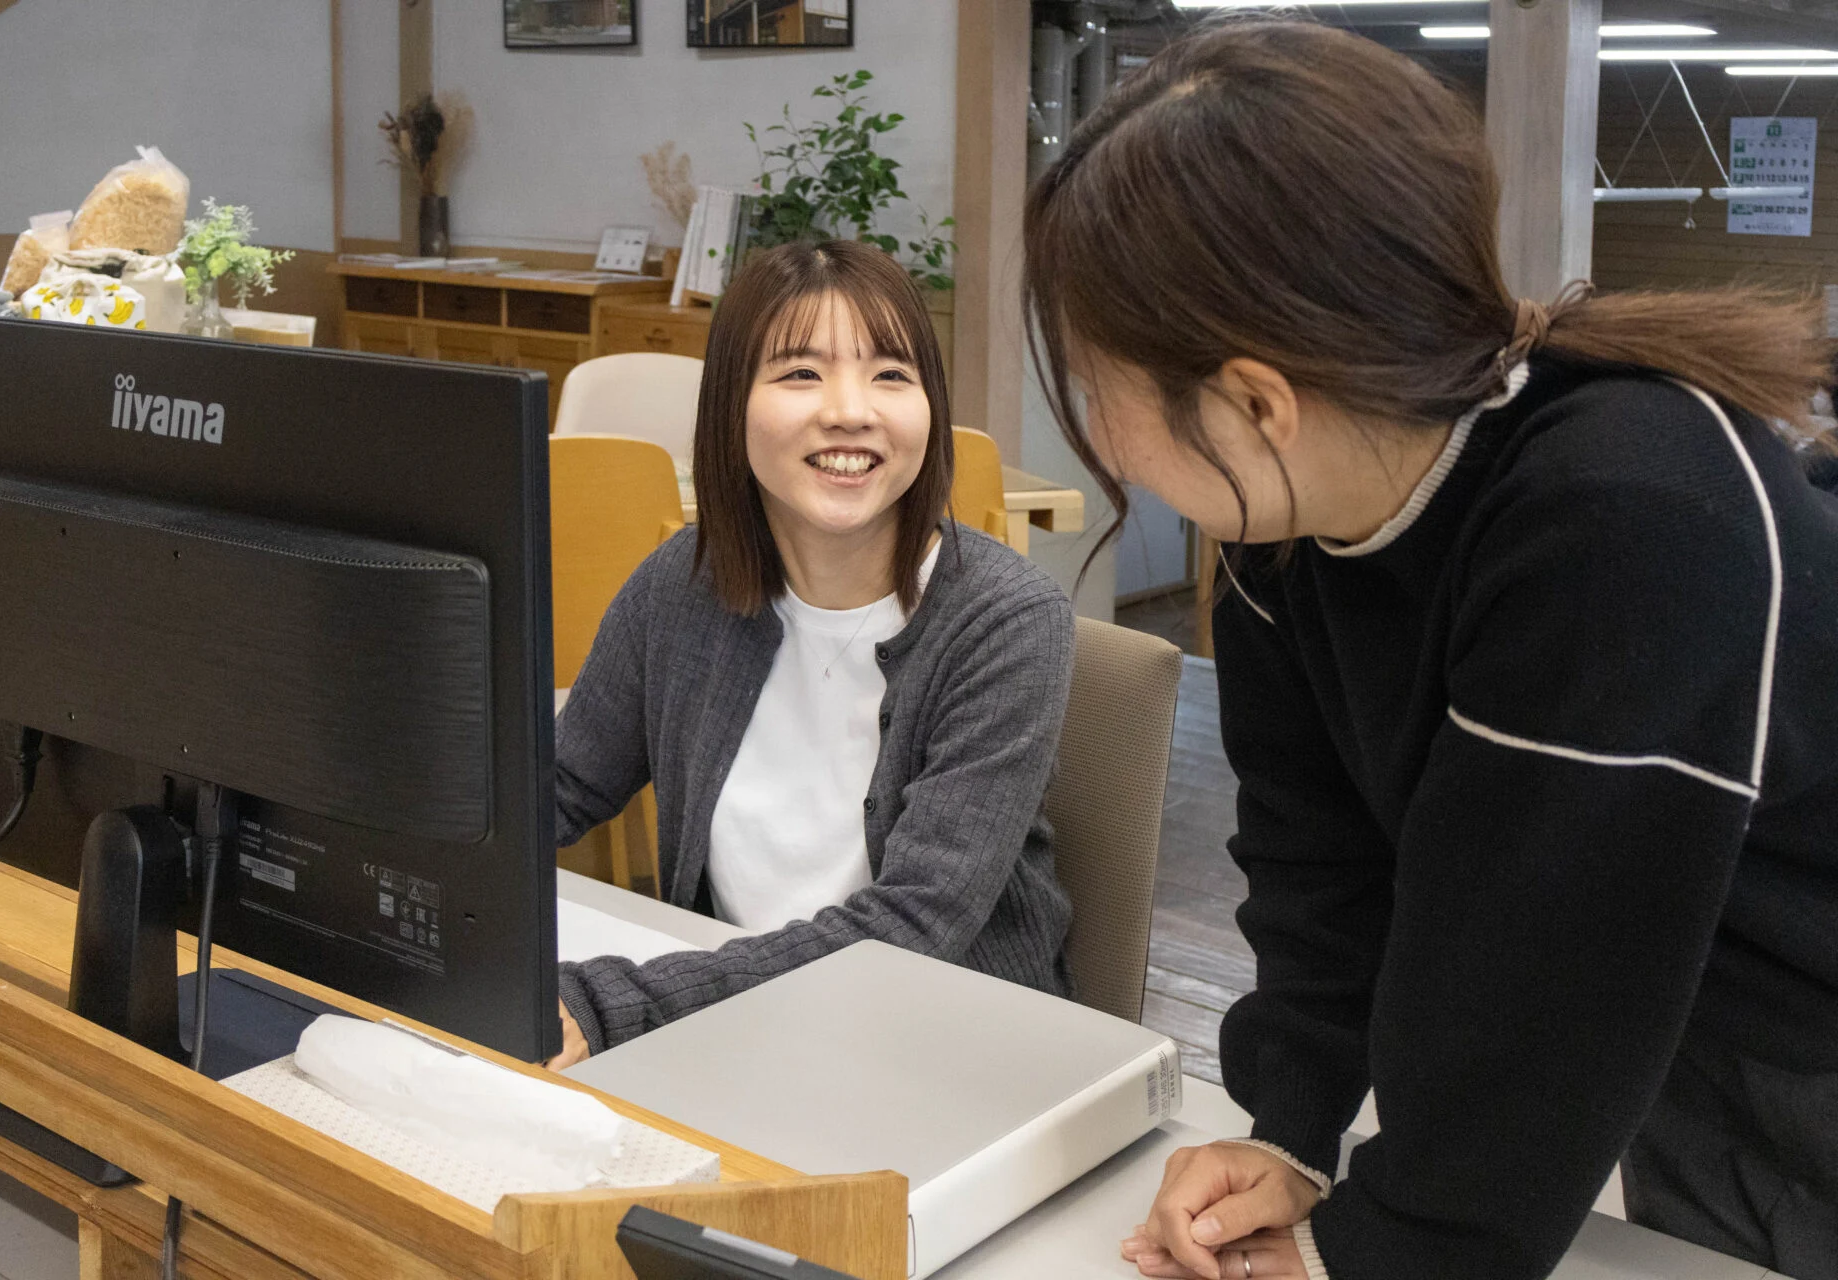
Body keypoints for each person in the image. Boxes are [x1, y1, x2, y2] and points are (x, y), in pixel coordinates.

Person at [1022, 19, 1838, 1280]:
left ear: (1254, 399)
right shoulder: (1277, 526)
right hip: (1691, 1015)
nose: (1096, 428)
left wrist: (1373, 1251)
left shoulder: (1629, 512)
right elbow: (1319, 855)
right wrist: (1292, 1126)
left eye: (1094, 378)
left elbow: (1541, 989)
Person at [544, 239, 1075, 1068]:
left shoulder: (1004, 621)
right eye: (800, 373)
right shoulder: (684, 587)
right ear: (731, 406)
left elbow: (913, 927)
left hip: (951, 1049)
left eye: (891, 374)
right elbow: (562, 781)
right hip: (741, 1026)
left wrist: (616, 1006)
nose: (851, 410)